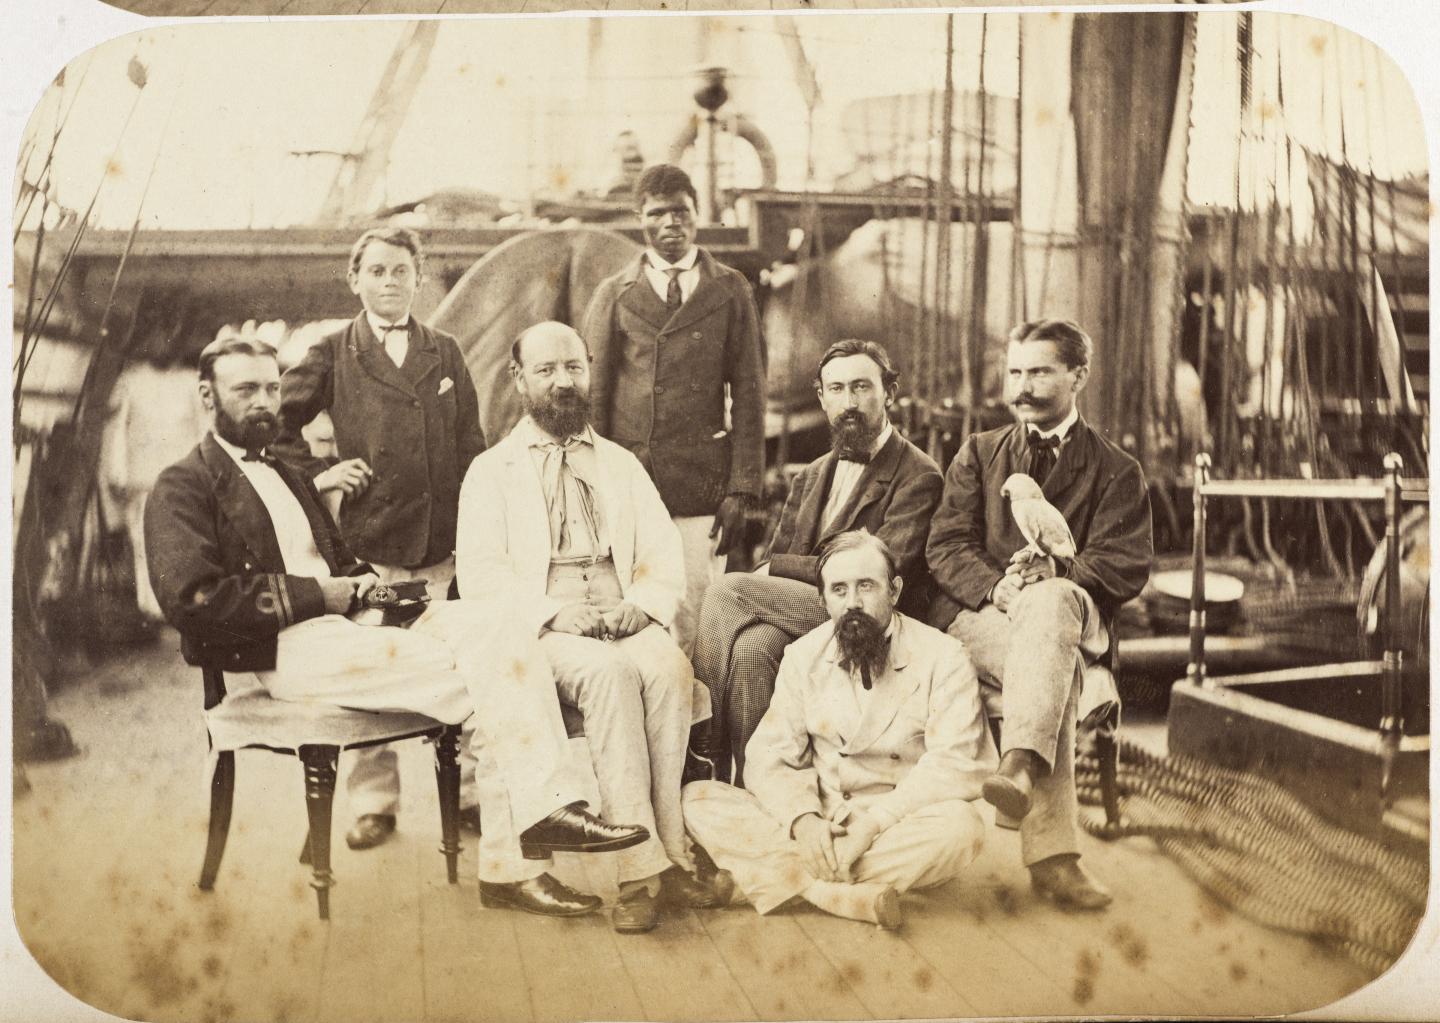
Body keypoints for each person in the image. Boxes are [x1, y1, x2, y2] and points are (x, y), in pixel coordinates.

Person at [145, 336, 649, 918]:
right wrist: (320, 596)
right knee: (498, 681)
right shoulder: (183, 484)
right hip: (280, 650)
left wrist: (378, 594)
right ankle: (523, 850)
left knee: (499, 628)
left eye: (272, 387)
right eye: (246, 390)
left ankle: (541, 826)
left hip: (349, 628)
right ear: (208, 396)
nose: (265, 401)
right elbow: (193, 599)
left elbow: (337, 561)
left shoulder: (285, 469)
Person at [455, 321, 722, 935]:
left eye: (572, 368)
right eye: (546, 371)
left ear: (589, 371)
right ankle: (637, 875)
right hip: (544, 629)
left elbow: (660, 550)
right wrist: (551, 613)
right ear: (520, 379)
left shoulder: (622, 464)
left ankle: (673, 854)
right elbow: (481, 574)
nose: (562, 382)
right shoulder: (491, 471)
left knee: (666, 669)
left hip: (622, 613)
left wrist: (644, 604)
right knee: (607, 677)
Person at [926, 317, 1153, 911]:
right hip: (985, 617)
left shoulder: (1117, 470)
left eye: (1040, 372)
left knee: (1050, 607)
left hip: (1073, 616)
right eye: (1016, 372)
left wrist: (1053, 579)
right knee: (1052, 669)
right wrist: (996, 592)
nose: (1022, 386)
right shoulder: (978, 454)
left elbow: (1122, 564)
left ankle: (1020, 761)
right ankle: (1052, 856)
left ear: (1078, 375)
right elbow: (945, 545)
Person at [273, 227, 486, 852]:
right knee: (370, 672)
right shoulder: (333, 349)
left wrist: (473, 530)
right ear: (355, 279)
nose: (390, 282)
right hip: (370, 545)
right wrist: (320, 474)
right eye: (378, 271)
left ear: (418, 279)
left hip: (442, 544)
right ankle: (374, 802)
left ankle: (469, 791)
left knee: (462, 667)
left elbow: (472, 444)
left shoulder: (444, 351)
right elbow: (275, 427)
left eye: (401, 272)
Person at [682, 530, 995, 930]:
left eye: (866, 586)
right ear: (822, 600)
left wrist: (873, 824)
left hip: (893, 824)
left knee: (962, 828)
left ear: (894, 591)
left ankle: (782, 880)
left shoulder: (943, 657)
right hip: (819, 820)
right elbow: (768, 756)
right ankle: (838, 895)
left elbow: (955, 763)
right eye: (839, 590)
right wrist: (804, 820)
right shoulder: (802, 656)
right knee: (698, 798)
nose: (853, 604)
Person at [696, 340, 942, 783]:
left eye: (862, 387)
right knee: (753, 649)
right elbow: (780, 555)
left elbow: (883, 573)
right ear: (821, 397)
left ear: (889, 393)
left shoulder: (919, 474)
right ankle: (757, 788)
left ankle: (702, 752)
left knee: (725, 589)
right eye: (838, 389)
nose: (849, 402)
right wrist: (779, 569)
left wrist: (779, 571)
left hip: (871, 616)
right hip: (809, 614)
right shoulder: (811, 474)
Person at [580, 163, 766, 656]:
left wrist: (743, 487)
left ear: (697, 214)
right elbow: (596, 396)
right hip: (630, 479)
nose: (670, 225)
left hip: (698, 483)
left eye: (680, 212)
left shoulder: (729, 290)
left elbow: (749, 393)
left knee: (697, 609)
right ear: (639, 219)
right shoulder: (615, 294)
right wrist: (595, 483)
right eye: (657, 214)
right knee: (631, 604)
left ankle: (699, 729)